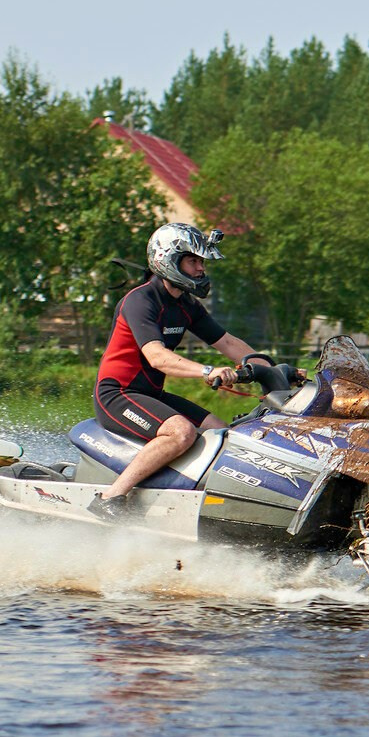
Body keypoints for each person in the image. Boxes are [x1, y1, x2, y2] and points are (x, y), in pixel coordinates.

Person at [88, 222, 273, 522]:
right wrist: (207, 370)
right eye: (193, 261)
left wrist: (278, 373)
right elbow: (157, 357)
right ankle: (111, 498)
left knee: (221, 433)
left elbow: (227, 342)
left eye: (201, 262)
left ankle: (194, 500)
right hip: (117, 395)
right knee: (181, 432)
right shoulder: (140, 300)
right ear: (168, 260)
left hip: (150, 394)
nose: (201, 269)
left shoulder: (186, 305)